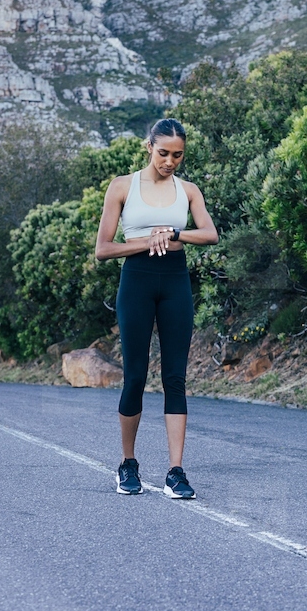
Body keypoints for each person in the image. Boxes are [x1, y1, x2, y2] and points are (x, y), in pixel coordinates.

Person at [95, 118, 218, 499]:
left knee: (175, 377)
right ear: (148, 146)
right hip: (137, 280)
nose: (170, 161)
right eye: (163, 153)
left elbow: (210, 234)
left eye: (178, 155)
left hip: (175, 281)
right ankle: (128, 464)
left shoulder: (189, 190)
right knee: (135, 375)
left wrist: (175, 234)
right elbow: (104, 249)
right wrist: (149, 240)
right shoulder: (122, 186)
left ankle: (176, 472)